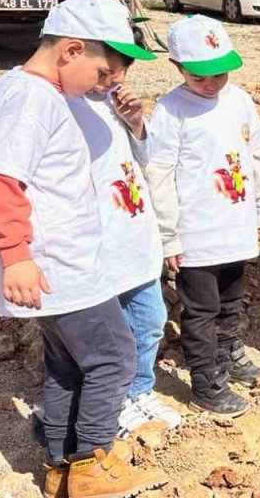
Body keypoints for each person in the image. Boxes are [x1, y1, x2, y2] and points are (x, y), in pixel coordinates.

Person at [0, 0, 168, 498]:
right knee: (114, 356)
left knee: (67, 365)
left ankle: (61, 463)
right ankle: (93, 463)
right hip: (56, 264)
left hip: (65, 265)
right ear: (72, 50)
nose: (108, 85)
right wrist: (14, 256)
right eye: (105, 74)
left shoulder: (43, 91)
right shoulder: (31, 97)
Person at [144, 15, 260, 417]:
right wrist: (169, 236)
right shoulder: (170, 111)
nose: (212, 83)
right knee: (200, 311)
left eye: (220, 74)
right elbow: (158, 174)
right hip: (195, 235)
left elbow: (257, 158)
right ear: (177, 66)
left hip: (234, 228)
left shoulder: (240, 102)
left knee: (231, 299)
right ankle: (205, 381)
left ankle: (229, 351)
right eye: (201, 77)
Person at [65, 59, 183, 436]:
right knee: (108, 341)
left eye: (121, 72)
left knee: (149, 322)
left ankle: (139, 390)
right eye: (105, 72)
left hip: (136, 241)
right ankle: (110, 402)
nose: (114, 81)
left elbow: (147, 161)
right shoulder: (66, 106)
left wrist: (135, 124)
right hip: (100, 247)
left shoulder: (113, 103)